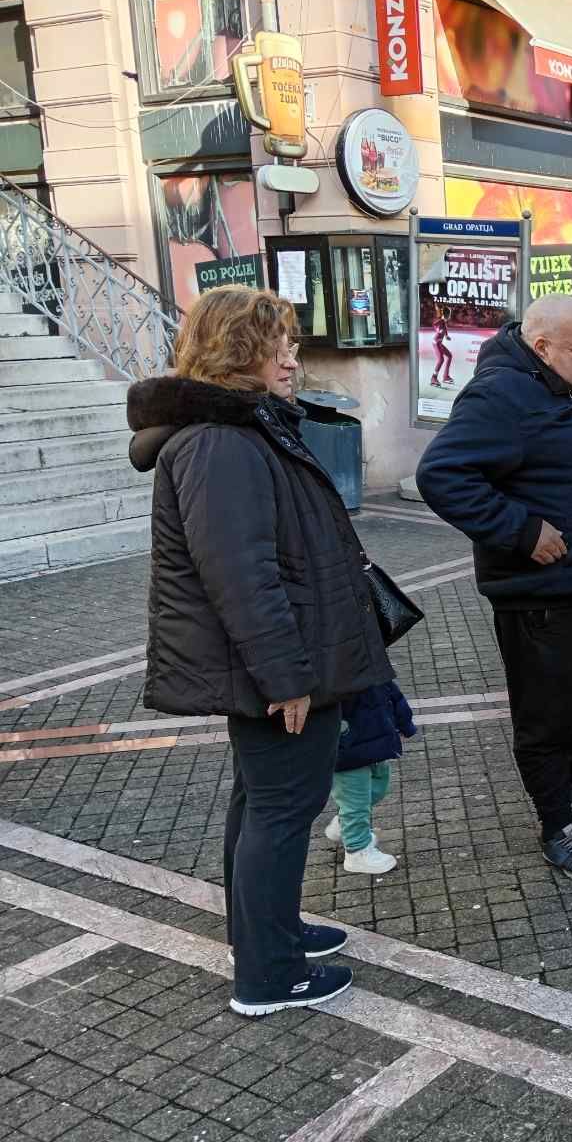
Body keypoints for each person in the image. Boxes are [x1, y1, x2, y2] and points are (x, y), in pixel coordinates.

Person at [128, 285, 393, 1015]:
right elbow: (241, 575)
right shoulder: (221, 441)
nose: (293, 359)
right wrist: (287, 676)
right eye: (282, 344)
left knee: (266, 802)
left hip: (280, 659)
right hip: (274, 667)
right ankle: (269, 975)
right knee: (282, 808)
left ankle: (268, 933)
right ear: (241, 350)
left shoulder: (244, 429)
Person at [416, 295, 572, 885]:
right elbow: (441, 474)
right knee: (545, 717)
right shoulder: (501, 395)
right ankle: (556, 827)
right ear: (542, 347)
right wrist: (520, 531)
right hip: (547, 598)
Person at [325, 680, 416, 875]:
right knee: (354, 799)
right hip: (346, 745)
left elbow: (390, 691)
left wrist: (404, 723)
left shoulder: (365, 657)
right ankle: (357, 850)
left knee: (377, 787)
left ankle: (344, 825)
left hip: (373, 739)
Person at [431, 310, 454, 387]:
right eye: (449, 314)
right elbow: (434, 324)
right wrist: (438, 330)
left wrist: (446, 335)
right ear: (447, 314)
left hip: (439, 343)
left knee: (449, 356)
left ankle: (445, 376)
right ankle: (433, 378)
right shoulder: (440, 321)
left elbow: (445, 328)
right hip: (436, 343)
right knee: (441, 359)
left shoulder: (443, 322)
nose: (450, 316)